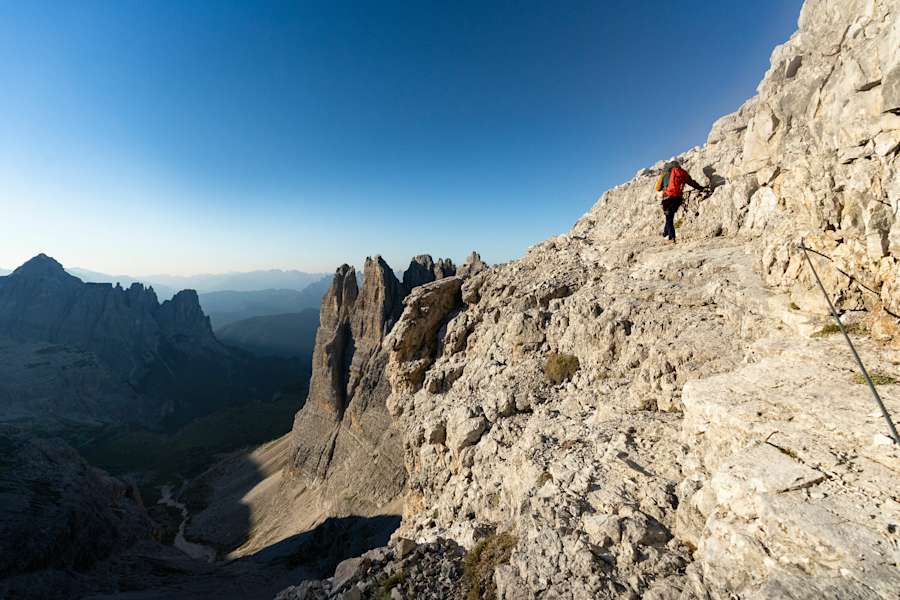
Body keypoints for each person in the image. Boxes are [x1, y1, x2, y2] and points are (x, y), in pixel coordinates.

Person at [656, 161, 706, 244]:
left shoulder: (664, 174)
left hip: (668, 198)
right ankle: (665, 234)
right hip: (678, 198)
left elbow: (658, 188)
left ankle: (671, 238)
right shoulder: (681, 172)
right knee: (669, 217)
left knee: (669, 218)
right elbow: (691, 182)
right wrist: (700, 188)